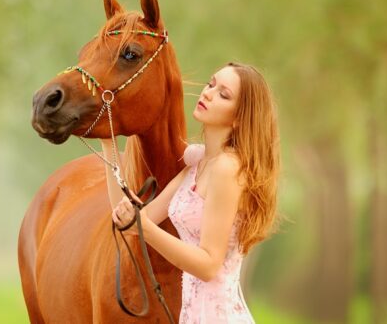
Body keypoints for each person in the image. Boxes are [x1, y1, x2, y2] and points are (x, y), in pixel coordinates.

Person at [100, 61, 281, 323]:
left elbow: (208, 265)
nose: (207, 93)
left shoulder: (228, 169)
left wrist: (146, 230)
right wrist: (109, 146)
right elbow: (131, 223)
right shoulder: (198, 165)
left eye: (223, 94)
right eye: (211, 83)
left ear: (241, 117)